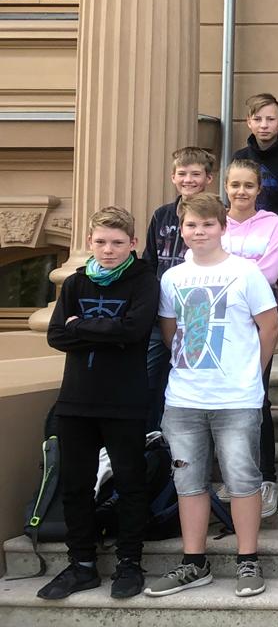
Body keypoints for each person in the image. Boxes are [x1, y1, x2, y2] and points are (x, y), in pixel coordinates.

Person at [144, 192, 278, 600]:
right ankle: (194, 562)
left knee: (242, 480)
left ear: (222, 227)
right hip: (184, 398)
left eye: (207, 224)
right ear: (182, 230)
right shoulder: (172, 278)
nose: (199, 231)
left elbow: (270, 327)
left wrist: (252, 373)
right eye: (191, 225)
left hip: (236, 398)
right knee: (188, 482)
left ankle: (248, 559)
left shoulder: (245, 272)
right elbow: (170, 330)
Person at [38, 206, 159, 602]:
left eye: (118, 243)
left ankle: (129, 563)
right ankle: (82, 565)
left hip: (124, 399)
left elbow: (135, 330)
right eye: (101, 242)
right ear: (90, 242)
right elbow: (57, 335)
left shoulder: (144, 281)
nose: (109, 250)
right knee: (76, 485)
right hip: (76, 400)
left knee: (130, 482)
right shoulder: (76, 283)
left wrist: (82, 326)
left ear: (133, 243)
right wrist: (109, 332)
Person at [218, 157, 278, 516]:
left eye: (248, 185)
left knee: (256, 400)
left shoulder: (274, 224)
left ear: (259, 189)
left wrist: (227, 277)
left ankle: (265, 478)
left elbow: (269, 272)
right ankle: (233, 476)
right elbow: (203, 264)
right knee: (223, 405)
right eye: (235, 185)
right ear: (225, 187)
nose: (241, 191)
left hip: (257, 324)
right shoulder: (216, 223)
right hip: (220, 326)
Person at [142, 146, 216, 434]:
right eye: (182, 174)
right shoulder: (161, 215)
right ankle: (151, 439)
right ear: (173, 177)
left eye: (195, 174)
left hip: (199, 313)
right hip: (161, 311)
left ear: (208, 178)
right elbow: (150, 261)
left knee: (193, 380)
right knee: (150, 378)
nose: (188, 180)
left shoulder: (217, 215)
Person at [232, 91, 278, 217]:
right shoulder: (239, 158)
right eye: (257, 119)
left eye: (270, 119)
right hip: (247, 225)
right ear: (249, 122)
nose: (264, 125)